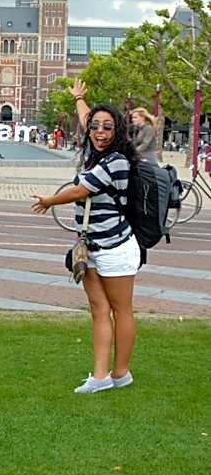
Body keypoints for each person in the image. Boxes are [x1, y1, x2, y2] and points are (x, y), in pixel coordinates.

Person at [30, 79, 140, 395]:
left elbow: (81, 190)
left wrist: (50, 200)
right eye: (95, 127)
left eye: (107, 127)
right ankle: (100, 376)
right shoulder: (94, 147)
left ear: (118, 130)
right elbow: (87, 119)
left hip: (116, 247)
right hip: (89, 247)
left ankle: (121, 373)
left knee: (122, 310)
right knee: (98, 310)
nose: (100, 132)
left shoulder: (117, 160)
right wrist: (80, 99)